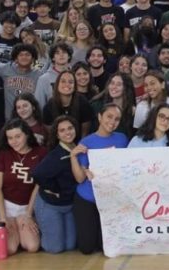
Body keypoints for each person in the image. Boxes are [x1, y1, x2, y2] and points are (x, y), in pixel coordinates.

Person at [70, 103, 129, 254]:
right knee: (87, 248)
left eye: (117, 119)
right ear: (99, 117)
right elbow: (79, 179)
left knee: (106, 247)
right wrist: (73, 157)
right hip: (87, 198)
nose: (112, 121)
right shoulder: (86, 142)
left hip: (110, 199)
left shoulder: (122, 139)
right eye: (109, 116)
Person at [0, 119, 48, 256]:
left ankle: (19, 225)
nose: (13, 141)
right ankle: (12, 227)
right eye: (10, 138)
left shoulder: (41, 153)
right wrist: (3, 217)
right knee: (9, 249)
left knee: (32, 246)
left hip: (26, 206)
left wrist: (28, 213)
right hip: (4, 205)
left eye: (17, 136)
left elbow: (38, 186)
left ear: (26, 135)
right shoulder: (3, 154)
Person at [31, 116, 81, 253]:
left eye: (70, 128)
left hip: (68, 205)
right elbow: (37, 174)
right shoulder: (56, 155)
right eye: (62, 130)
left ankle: (53, 231)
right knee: (55, 248)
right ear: (57, 135)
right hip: (50, 204)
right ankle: (44, 231)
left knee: (70, 246)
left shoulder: (78, 149)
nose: (68, 132)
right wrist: (55, 189)